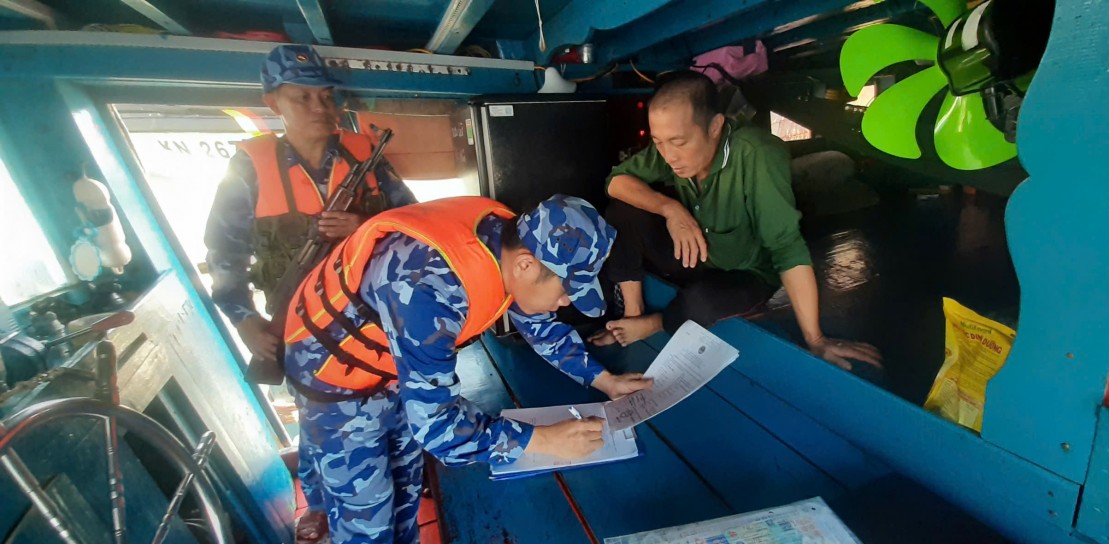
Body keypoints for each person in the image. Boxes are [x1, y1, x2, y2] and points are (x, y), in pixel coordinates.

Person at [282, 194, 653, 543]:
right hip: (331, 377)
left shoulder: (509, 244)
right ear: (526, 265)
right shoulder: (428, 286)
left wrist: (606, 381)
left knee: (405, 491)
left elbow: (540, 326)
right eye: (567, 288)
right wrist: (541, 440)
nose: (566, 300)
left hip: (393, 366)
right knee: (368, 519)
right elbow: (437, 426)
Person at [203, 44, 417, 543]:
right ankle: (320, 504)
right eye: (303, 98)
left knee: (395, 437)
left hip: (374, 323)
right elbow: (223, 254)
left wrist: (363, 225)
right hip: (301, 332)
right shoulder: (249, 168)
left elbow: (413, 222)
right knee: (319, 425)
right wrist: (244, 319)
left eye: (326, 97)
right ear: (273, 102)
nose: (321, 108)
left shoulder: (366, 156)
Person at [591, 71, 881, 371]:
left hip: (745, 273)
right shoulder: (672, 149)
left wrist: (816, 339)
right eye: (659, 142)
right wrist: (670, 209)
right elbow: (616, 182)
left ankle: (654, 323)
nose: (668, 156)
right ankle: (633, 313)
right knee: (622, 211)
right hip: (697, 253)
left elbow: (787, 248)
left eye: (679, 142)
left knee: (701, 301)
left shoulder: (757, 155)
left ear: (715, 126)